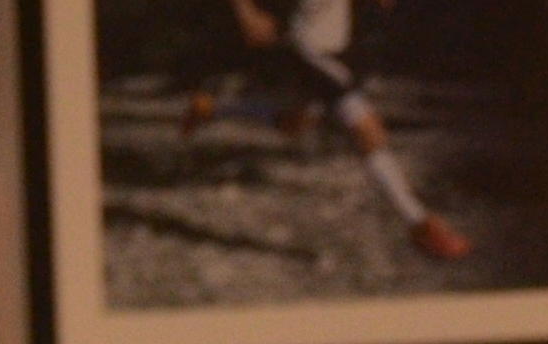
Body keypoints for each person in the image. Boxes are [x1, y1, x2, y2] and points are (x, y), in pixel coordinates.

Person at [181, 0, 476, 266]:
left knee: (294, 122)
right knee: (367, 129)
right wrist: (247, 14)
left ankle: (211, 109)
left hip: (338, 48)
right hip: (310, 50)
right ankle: (419, 223)